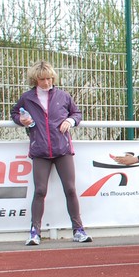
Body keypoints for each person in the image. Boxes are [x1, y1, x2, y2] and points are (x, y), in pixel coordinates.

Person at [11, 60, 91, 245]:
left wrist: (71, 121)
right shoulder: (27, 98)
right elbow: (14, 113)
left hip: (62, 149)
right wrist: (21, 119)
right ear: (35, 80)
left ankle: (78, 229)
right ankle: (34, 232)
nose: (46, 83)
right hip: (39, 150)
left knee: (70, 189)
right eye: (42, 80)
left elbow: (77, 113)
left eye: (49, 79)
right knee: (40, 191)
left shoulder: (63, 96)